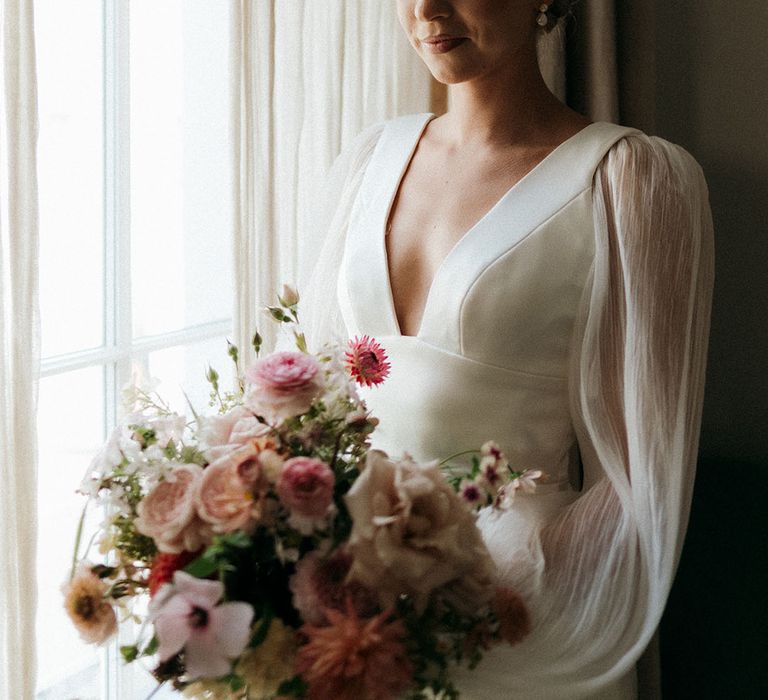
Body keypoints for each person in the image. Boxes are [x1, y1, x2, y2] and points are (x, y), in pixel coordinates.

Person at [302, 1, 714, 698]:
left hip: (523, 626)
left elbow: (640, 475)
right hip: (351, 627)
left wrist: (470, 604)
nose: (427, 9)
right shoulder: (368, 160)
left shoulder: (630, 182)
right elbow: (310, 411)